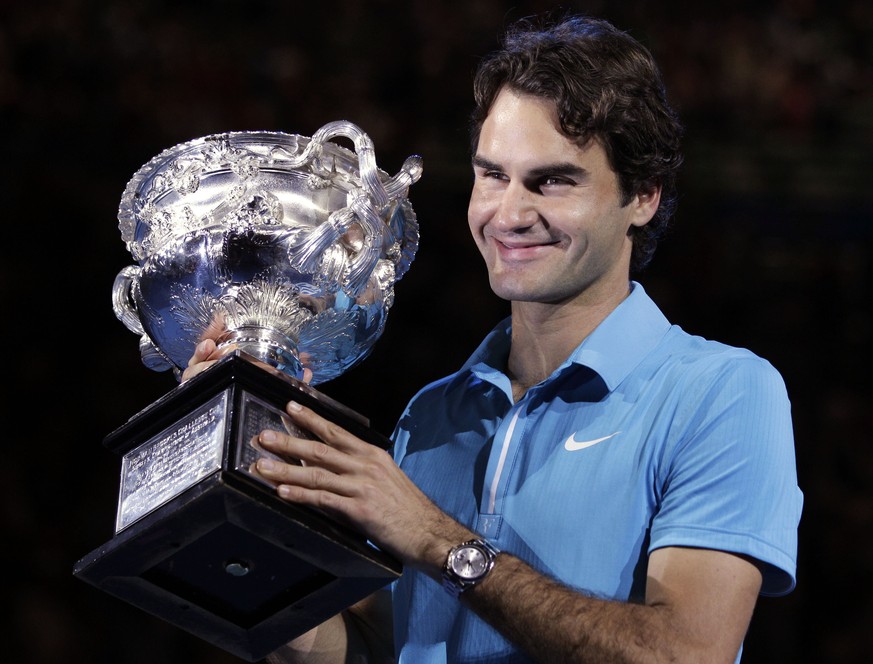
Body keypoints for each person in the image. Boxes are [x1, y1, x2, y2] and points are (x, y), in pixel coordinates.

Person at [184, 14, 802, 664]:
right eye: (492, 175)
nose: (507, 214)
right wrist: (233, 453)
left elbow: (685, 654)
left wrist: (435, 538)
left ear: (642, 195)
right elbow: (365, 649)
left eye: (551, 181)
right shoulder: (433, 414)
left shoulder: (722, 392)